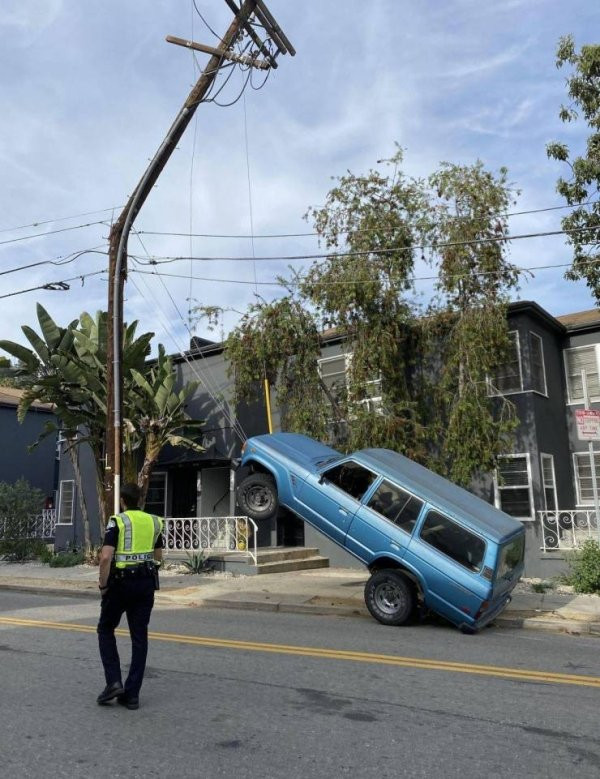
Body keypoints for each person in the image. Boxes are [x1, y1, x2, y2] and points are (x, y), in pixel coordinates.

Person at [96, 482, 163, 710]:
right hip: (145, 584)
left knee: (105, 628)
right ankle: (132, 694)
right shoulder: (155, 522)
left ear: (123, 501)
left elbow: (106, 557)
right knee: (139, 637)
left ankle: (114, 681)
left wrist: (103, 584)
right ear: (140, 500)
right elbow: (159, 556)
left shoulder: (118, 521)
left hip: (120, 584)